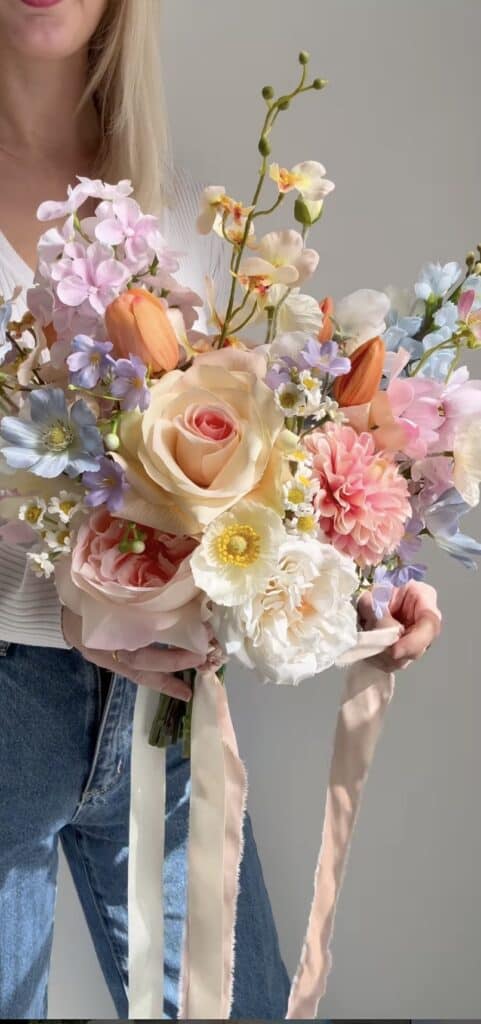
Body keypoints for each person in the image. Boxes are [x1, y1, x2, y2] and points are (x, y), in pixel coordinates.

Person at [0, 0, 443, 1019]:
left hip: (167, 720)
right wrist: (62, 603)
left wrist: (358, 584)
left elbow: (252, 473)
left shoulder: (191, 212)